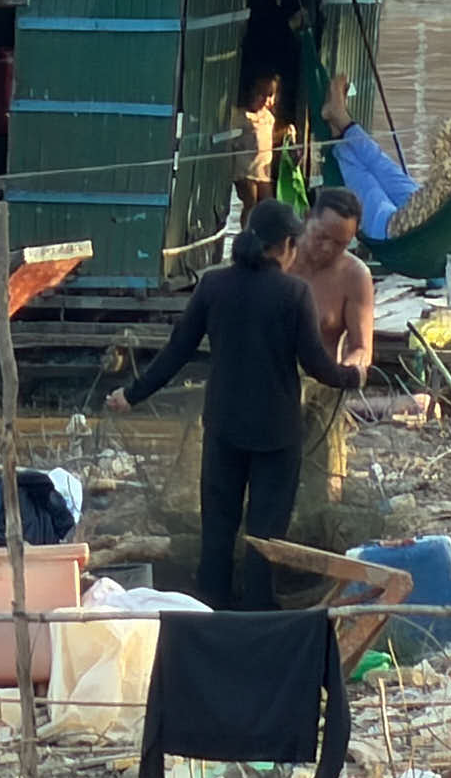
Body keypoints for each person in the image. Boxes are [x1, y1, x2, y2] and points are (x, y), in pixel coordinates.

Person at [108, 199, 364, 610]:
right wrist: (351, 376)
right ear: (286, 245)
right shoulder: (294, 293)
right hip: (276, 436)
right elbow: (317, 364)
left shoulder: (213, 285)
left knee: (217, 533)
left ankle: (210, 612)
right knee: (265, 537)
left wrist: (132, 394)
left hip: (223, 429)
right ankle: (258, 617)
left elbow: (177, 351)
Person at [323, 73, 451, 238]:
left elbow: (439, 133)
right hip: (420, 208)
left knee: (366, 178)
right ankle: (339, 120)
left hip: (391, 228)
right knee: (382, 164)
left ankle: (338, 124)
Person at [288, 187, 373, 515]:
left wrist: (350, 369)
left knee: (323, 492)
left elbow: (362, 347)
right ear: (307, 218)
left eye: (340, 244)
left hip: (321, 390)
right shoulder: (279, 259)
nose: (327, 249)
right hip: (269, 384)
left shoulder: (354, 275)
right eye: (321, 237)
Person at [232, 74, 286, 225]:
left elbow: (269, 139)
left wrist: (285, 132)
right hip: (245, 170)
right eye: (262, 94)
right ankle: (247, 232)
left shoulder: (269, 118)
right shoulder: (241, 116)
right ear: (253, 93)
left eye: (270, 95)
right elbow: (231, 139)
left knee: (268, 204)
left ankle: (265, 233)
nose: (266, 100)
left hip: (263, 170)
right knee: (250, 203)